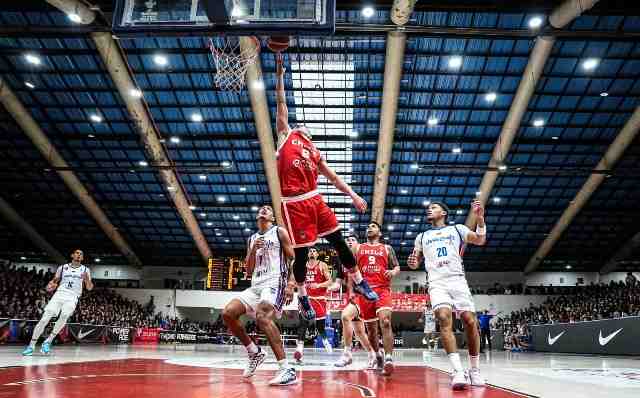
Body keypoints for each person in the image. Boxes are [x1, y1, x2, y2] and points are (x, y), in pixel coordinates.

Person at [275, 55, 377, 321]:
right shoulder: (286, 136)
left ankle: (359, 279)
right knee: (302, 254)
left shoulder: (314, 151)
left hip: (315, 199)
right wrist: (279, 74)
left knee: (338, 241)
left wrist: (353, 195)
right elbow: (282, 105)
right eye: (302, 125)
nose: (304, 127)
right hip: (294, 202)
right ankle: (303, 296)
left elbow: (333, 178)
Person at [408, 200, 487, 390]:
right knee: (443, 318)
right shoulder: (421, 236)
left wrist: (480, 219)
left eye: (434, 207)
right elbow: (415, 261)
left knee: (469, 321)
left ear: (443, 213)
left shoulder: (457, 229)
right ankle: (458, 371)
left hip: (457, 279)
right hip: (436, 282)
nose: (429, 209)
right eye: (429, 208)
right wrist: (412, 263)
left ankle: (474, 370)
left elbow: (479, 240)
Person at [222, 205, 298, 385]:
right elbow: (248, 270)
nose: (265, 209)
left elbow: (293, 258)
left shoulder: (279, 232)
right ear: (257, 217)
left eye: (268, 208)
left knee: (262, 317)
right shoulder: (252, 239)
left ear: (271, 217)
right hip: (256, 284)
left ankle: (287, 369)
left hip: (275, 281)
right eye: (262, 208)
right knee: (227, 313)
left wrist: (291, 283)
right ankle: (254, 352)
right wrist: (252, 251)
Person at [22, 249, 93, 356]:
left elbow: (89, 288)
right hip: (59, 294)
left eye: (81, 254)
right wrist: (50, 286)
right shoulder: (63, 267)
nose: (79, 255)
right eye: (77, 253)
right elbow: (54, 281)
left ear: (82, 258)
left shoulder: (85, 270)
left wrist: (87, 280)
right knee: (45, 319)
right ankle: (31, 346)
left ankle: (48, 342)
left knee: (64, 315)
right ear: (72, 255)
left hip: (73, 296)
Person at [354, 222, 400, 375]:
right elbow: (350, 269)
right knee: (371, 331)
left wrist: (393, 272)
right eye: (367, 226)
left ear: (379, 232)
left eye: (373, 226)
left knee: (385, 322)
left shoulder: (387, 248)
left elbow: (397, 267)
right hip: (365, 292)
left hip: (382, 290)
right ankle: (378, 355)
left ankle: (388, 359)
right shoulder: (358, 248)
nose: (369, 228)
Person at [332, 235, 379, 369]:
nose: (349, 242)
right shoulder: (341, 261)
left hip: (363, 296)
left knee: (345, 316)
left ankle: (347, 354)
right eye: (347, 240)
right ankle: (373, 355)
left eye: (353, 240)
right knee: (359, 333)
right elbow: (337, 283)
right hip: (351, 297)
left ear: (358, 244)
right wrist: (326, 288)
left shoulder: (362, 258)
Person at [294, 247, 333, 363]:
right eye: (310, 251)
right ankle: (299, 349)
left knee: (320, 326)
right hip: (306, 297)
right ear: (307, 254)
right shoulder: (302, 265)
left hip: (319, 299)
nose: (311, 252)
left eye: (314, 251)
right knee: (303, 323)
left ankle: (326, 341)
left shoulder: (322, 265)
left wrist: (318, 285)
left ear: (317, 254)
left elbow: (330, 281)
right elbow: (297, 280)